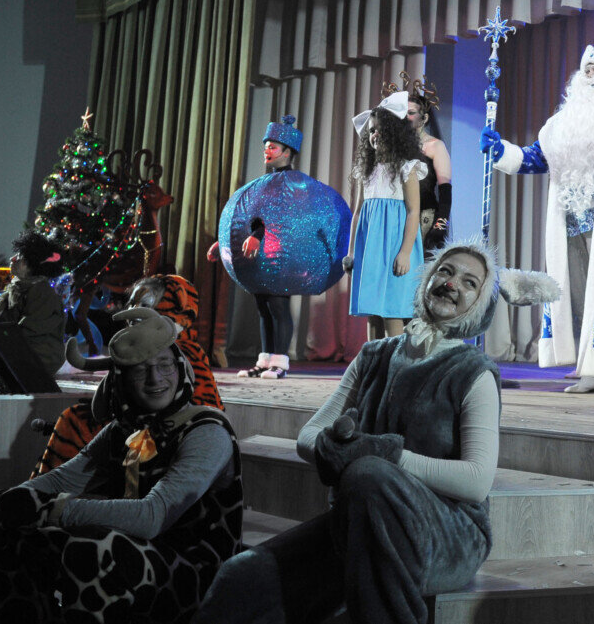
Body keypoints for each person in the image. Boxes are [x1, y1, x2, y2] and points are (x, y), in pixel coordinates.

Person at [197, 236, 556, 624]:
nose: (452, 283)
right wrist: (337, 447)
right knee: (241, 578)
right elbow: (308, 436)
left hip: (447, 533)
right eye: (445, 271)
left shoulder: (473, 372)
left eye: (470, 283)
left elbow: (475, 481)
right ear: (427, 280)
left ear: (482, 304)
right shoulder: (375, 355)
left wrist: (385, 454)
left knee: (369, 474)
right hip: (360, 521)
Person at [0, 308, 242, 623]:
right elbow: (62, 479)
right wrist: (10, 500)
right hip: (140, 552)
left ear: (180, 368)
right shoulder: (124, 429)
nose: (156, 379)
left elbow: (153, 516)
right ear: (122, 379)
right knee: (5, 527)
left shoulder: (206, 431)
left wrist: (50, 509)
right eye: (140, 370)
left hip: (198, 575)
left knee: (95, 548)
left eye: (164, 364)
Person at [480, 42, 594, 398]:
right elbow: (535, 158)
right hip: (569, 222)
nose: (590, 75)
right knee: (577, 297)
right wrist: (501, 150)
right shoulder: (560, 125)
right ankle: (588, 371)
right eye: (587, 69)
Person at [30, 273, 225, 477]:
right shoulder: (136, 349)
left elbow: (203, 409)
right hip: (134, 424)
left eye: (145, 304)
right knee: (77, 419)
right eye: (133, 303)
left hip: (162, 434)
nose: (134, 311)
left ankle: (49, 489)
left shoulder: (181, 350)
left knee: (75, 421)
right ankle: (49, 487)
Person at [207, 114, 351, 379]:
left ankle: (280, 362)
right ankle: (265, 360)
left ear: (287, 152)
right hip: (260, 261)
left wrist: (257, 236)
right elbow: (246, 218)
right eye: (266, 147)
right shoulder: (260, 186)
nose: (267, 151)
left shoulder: (297, 187)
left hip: (282, 261)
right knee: (264, 309)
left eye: (273, 147)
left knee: (278, 307)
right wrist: (224, 244)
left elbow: (279, 220)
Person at [344, 91, 427, 340]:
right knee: (372, 309)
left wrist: (405, 252)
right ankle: (374, 358)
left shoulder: (406, 168)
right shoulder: (366, 170)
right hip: (370, 247)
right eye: (371, 131)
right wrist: (351, 252)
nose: (375, 135)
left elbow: (413, 211)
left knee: (391, 309)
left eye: (380, 130)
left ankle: (394, 359)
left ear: (394, 133)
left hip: (394, 245)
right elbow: (358, 212)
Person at [0, 230, 66, 377]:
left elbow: (28, 330)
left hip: (35, 359)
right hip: (17, 354)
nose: (12, 259)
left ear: (32, 265)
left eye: (19, 257)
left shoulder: (42, 292)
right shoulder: (18, 288)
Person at [407, 80, 453, 255]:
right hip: (400, 217)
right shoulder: (396, 148)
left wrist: (439, 226)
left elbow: (445, 192)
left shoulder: (436, 146)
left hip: (425, 220)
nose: (405, 117)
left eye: (411, 113)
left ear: (424, 118)